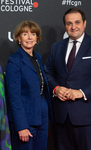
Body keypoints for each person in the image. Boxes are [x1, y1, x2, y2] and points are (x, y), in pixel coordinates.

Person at [44, 8, 91, 150]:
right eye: (69, 23)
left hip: (86, 117)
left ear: (84, 23)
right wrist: (56, 89)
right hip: (61, 117)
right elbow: (48, 72)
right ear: (65, 26)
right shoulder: (56, 47)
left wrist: (82, 92)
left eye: (77, 22)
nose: (73, 27)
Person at [5, 20, 53, 150]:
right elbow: (14, 97)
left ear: (37, 38)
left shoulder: (37, 56)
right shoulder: (14, 61)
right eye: (25, 34)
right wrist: (21, 126)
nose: (30, 37)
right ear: (18, 38)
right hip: (26, 117)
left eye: (33, 34)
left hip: (42, 113)